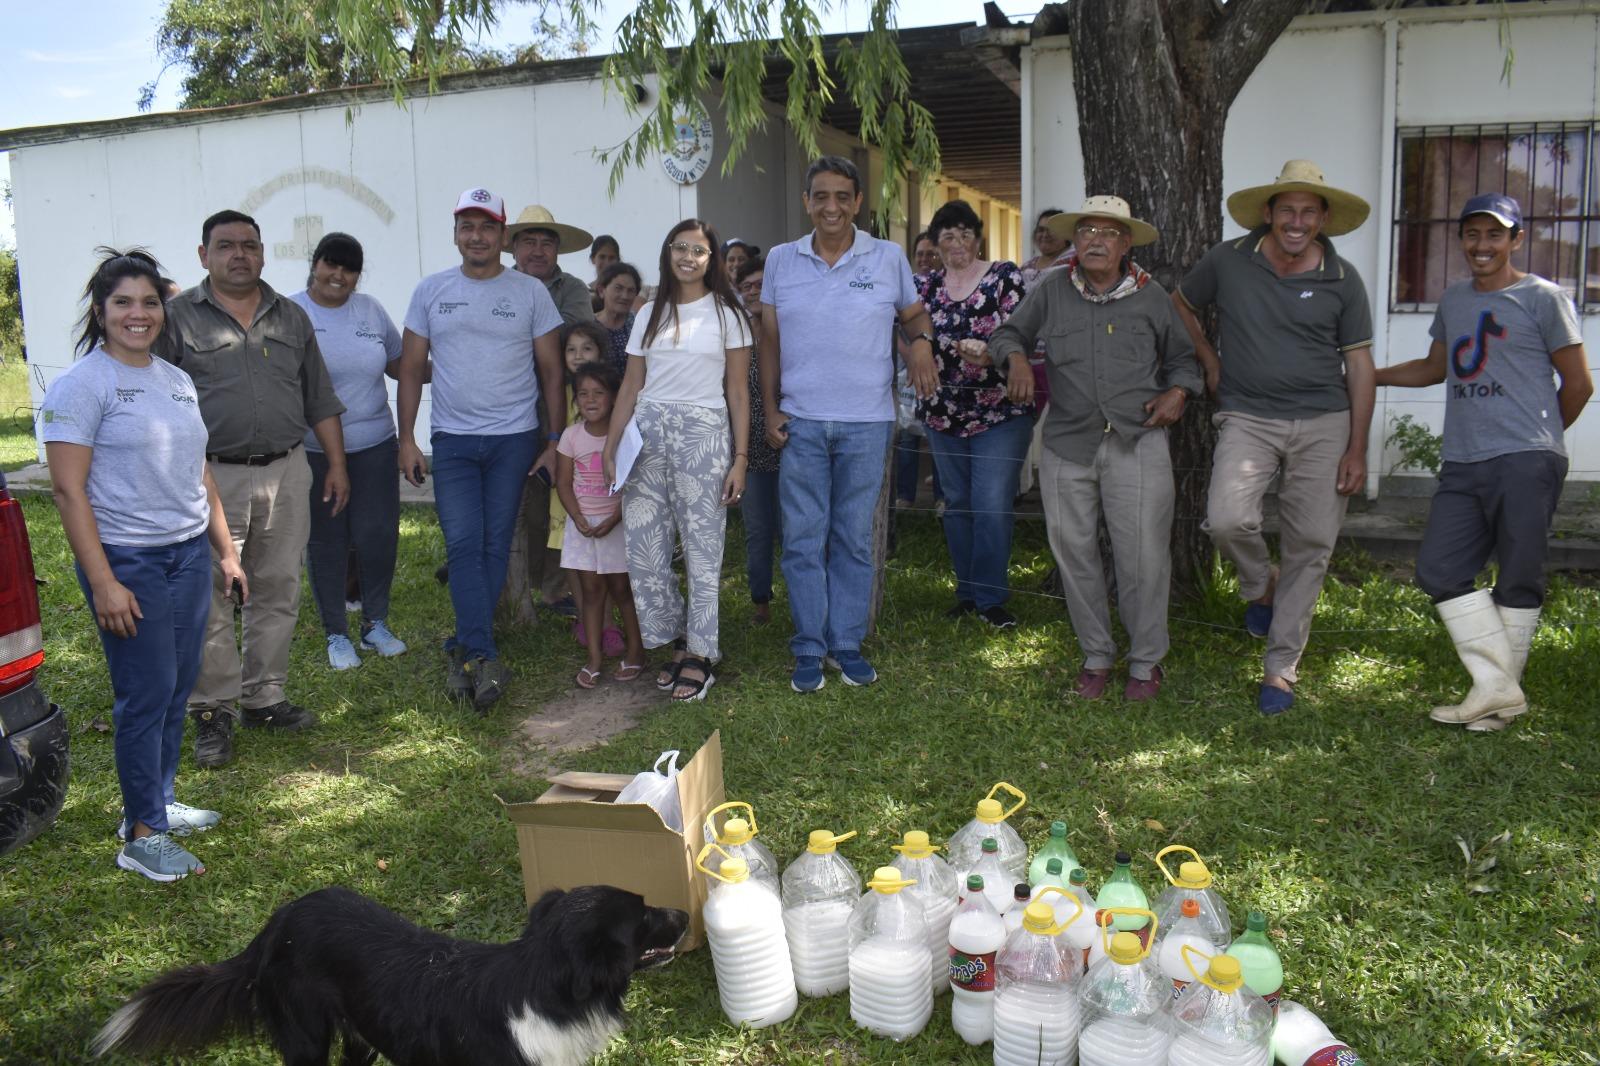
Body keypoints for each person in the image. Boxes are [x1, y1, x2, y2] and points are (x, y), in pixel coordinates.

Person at [43, 248, 248, 880]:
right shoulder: (81, 386)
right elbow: (67, 491)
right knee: (144, 693)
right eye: (123, 303)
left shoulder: (174, 379)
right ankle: (141, 834)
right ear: (101, 313)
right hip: (127, 559)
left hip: (187, 552)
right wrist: (104, 580)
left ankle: (154, 800)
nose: (139, 314)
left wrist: (226, 549)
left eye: (150, 302)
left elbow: (199, 472)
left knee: (176, 687)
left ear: (164, 308)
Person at [1375, 193, 1592, 731]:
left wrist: (1538, 443)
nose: (1482, 245)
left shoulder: (1543, 297)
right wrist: (1370, 376)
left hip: (1525, 459)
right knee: (1439, 569)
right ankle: (1501, 690)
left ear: (1517, 239)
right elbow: (1433, 367)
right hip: (1463, 460)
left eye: (1495, 235)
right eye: (1472, 234)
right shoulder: (1453, 300)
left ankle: (1493, 706)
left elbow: (1581, 384)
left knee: (1518, 576)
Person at [1172, 159, 1376, 715]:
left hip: (1325, 423)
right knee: (1227, 519)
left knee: (1312, 545)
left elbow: (1359, 366)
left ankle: (1280, 669)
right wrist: (1209, 357)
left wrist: (1357, 447)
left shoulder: (1344, 279)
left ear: (1323, 220)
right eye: (1287, 209)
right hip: (1247, 415)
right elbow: (1181, 304)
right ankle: (1261, 583)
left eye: (1309, 211)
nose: (1297, 221)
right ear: (1268, 213)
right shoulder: (1228, 260)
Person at [156, 210, 347, 769]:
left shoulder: (292, 317)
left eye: (249, 245)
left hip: (288, 469)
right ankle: (214, 711)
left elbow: (320, 398)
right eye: (226, 246)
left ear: (263, 254)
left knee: (279, 585)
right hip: (208, 474)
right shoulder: (174, 319)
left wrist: (336, 463)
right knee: (212, 593)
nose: (239, 255)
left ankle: (265, 696)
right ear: (203, 255)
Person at [990, 196, 1201, 701]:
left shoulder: (1153, 297)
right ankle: (1096, 656)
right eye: (1086, 232)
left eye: (1108, 233)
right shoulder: (1053, 289)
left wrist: (1178, 392)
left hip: (1139, 440)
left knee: (1144, 559)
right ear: (1075, 241)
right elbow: (1006, 333)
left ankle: (1146, 662)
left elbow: (1185, 362)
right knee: (1074, 555)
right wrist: (1016, 360)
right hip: (1067, 441)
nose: (1096, 241)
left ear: (1125, 243)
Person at [759, 155, 938, 691]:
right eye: (821, 196)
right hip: (802, 422)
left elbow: (912, 316)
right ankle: (810, 646)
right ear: (807, 201)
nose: (831, 206)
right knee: (802, 540)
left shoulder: (887, 258)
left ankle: (846, 643)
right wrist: (770, 410)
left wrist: (922, 346)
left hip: (867, 423)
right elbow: (769, 342)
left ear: (858, 202)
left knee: (855, 540)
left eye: (842, 196)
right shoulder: (780, 261)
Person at [398, 188, 566, 709]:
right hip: (452, 438)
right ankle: (479, 651)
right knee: (464, 542)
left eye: (487, 227)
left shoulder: (530, 293)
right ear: (455, 233)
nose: (477, 236)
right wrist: (406, 438)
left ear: (502, 235)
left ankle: (469, 649)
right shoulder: (430, 291)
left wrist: (555, 440)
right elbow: (409, 369)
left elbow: (552, 371)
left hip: (514, 438)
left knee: (494, 543)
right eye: (467, 226)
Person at [605, 219, 752, 701]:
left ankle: (702, 654)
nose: (689, 257)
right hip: (647, 433)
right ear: (668, 251)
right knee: (646, 548)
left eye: (700, 250)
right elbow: (631, 383)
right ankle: (677, 641)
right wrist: (612, 443)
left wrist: (741, 458)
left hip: (703, 435)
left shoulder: (728, 313)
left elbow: (737, 391)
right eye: (681, 247)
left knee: (703, 548)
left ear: (712, 260)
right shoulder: (648, 311)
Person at [288, 232, 408, 670]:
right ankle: (337, 633)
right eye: (331, 264)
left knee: (378, 536)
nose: (339, 275)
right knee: (328, 540)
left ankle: (375, 622)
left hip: (375, 442)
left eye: (349, 268)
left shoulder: (370, 310)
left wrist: (458, 363)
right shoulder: (291, 312)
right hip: (314, 450)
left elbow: (400, 364)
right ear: (314, 264)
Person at [915, 199, 1033, 628]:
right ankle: (966, 592)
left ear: (978, 238)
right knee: (958, 503)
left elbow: (1022, 328)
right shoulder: (924, 286)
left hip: (999, 410)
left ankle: (992, 598)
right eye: (947, 236)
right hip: (943, 411)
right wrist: (919, 349)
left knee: (991, 504)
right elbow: (906, 329)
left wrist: (995, 354)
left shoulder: (1003, 276)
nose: (957, 242)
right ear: (937, 243)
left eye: (965, 234)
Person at [505, 204, 596, 619]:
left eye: (546, 243)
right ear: (513, 248)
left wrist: (524, 331)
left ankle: (556, 589)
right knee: (521, 502)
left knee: (564, 492)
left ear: (557, 250)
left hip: (564, 406)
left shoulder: (573, 288)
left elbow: (572, 338)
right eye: (529, 242)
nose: (538, 251)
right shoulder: (497, 285)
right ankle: (517, 585)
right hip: (509, 406)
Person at [558, 361, 646, 687]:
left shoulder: (624, 437)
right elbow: (564, 484)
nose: (591, 400)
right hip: (582, 527)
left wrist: (614, 519)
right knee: (591, 592)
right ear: (575, 400)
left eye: (598, 393)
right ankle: (594, 659)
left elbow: (634, 485)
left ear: (614, 398)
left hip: (616, 524)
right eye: (583, 394)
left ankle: (637, 651)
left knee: (623, 590)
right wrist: (579, 519)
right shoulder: (570, 437)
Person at [555, 321, 626, 659]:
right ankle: (586, 619)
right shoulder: (559, 391)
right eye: (571, 349)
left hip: (609, 505)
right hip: (570, 499)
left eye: (587, 348)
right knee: (576, 560)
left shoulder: (610, 404)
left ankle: (609, 623)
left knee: (610, 567)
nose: (578, 355)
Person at [734, 254, 782, 625]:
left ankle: (804, 602)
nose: (753, 291)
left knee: (798, 529)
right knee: (758, 530)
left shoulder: (788, 331)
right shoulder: (734, 337)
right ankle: (761, 604)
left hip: (791, 447)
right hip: (750, 452)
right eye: (746, 285)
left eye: (759, 284)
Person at [596, 262, 642, 376]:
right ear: (602, 291)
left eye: (631, 290)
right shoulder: (587, 327)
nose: (625, 296)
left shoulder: (640, 325)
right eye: (618, 288)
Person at [588, 233, 620, 311]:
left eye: (611, 258)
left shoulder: (627, 291)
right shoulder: (584, 291)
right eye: (602, 257)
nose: (607, 262)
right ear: (593, 259)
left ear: (618, 261)